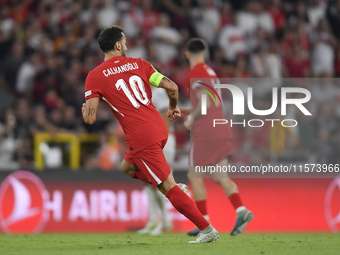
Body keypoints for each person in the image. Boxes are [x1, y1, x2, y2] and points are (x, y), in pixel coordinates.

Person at [81, 25, 218, 244]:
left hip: (141, 136)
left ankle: (206, 229)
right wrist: (173, 107)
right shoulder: (140, 64)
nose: (126, 45)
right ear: (117, 45)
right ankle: (174, 186)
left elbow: (90, 118)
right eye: (124, 41)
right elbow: (172, 87)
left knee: (167, 188)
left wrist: (84, 110)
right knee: (127, 166)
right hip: (159, 128)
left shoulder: (95, 76)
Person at [183, 38, 254, 236]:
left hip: (205, 132)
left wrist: (190, 118)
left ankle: (203, 224)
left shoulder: (194, 73)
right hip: (221, 129)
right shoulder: (210, 72)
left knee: (194, 176)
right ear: (205, 54)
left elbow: (203, 101)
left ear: (187, 54)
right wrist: (186, 111)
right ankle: (241, 210)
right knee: (220, 175)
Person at [137, 82, 176, 235]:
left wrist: (159, 140)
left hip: (161, 141)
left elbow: (167, 116)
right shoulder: (142, 95)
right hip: (149, 141)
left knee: (159, 181)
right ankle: (154, 220)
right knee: (146, 181)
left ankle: (165, 221)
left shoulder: (158, 93)